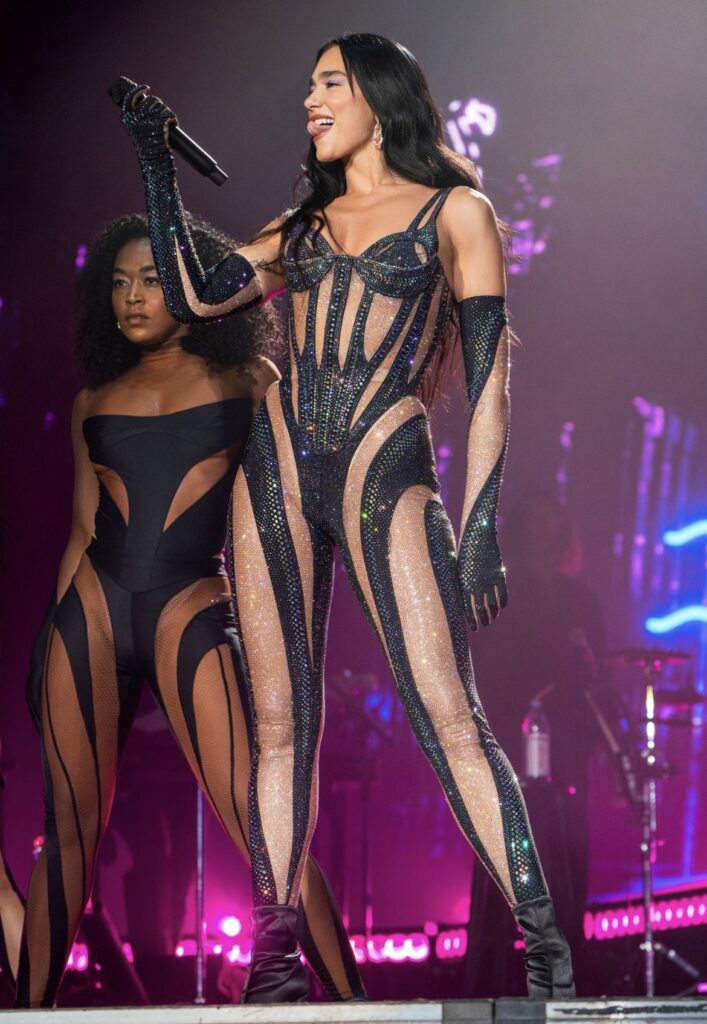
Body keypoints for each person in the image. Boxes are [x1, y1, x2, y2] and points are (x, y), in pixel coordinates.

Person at [119, 32, 575, 1003]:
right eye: (309, 86)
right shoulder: (302, 227)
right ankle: (273, 964)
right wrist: (158, 166)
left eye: (329, 83)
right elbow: (194, 295)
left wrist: (481, 521)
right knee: (279, 727)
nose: (310, 101)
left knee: (449, 716)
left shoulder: (457, 212)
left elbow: (490, 383)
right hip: (277, 468)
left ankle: (546, 951)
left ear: (377, 95)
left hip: (384, 466)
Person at [16, 214, 365, 1008]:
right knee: (69, 837)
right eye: (118, 283)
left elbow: (295, 504)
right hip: (91, 613)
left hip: (191, 607)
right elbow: (81, 531)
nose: (132, 297)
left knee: (264, 826)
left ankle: (357, 1004)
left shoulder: (251, 381)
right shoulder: (93, 400)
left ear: (195, 289)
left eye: (150, 280)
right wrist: (46, 644)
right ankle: (28, 1015)